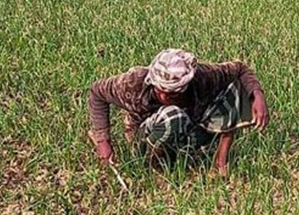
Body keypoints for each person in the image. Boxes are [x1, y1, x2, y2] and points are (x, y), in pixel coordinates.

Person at [88, 49, 269, 175]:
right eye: (163, 92)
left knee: (237, 90)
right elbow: (97, 92)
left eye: (175, 93)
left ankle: (219, 162)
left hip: (189, 125)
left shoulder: (203, 77)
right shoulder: (133, 83)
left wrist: (257, 95)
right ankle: (155, 163)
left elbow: (240, 69)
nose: (167, 96)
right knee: (172, 116)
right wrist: (103, 141)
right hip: (146, 134)